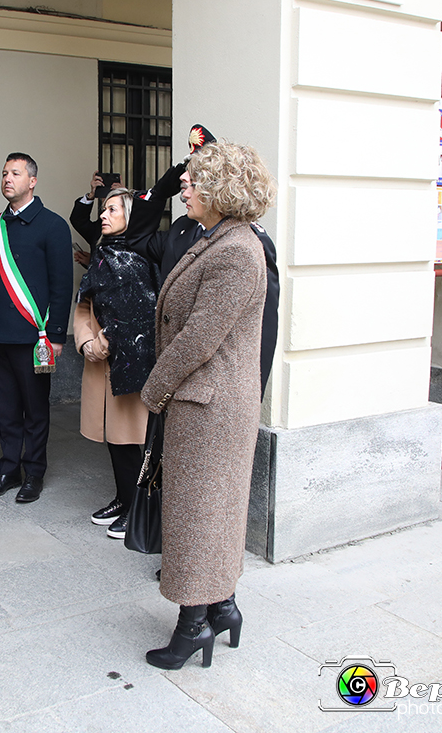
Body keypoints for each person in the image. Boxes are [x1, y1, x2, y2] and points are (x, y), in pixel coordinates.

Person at [139, 141, 275, 671]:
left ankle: (192, 626)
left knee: (199, 516)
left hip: (211, 405)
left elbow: (199, 338)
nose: (184, 188)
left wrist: (153, 391)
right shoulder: (218, 239)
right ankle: (223, 608)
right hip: (206, 400)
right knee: (209, 513)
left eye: (195, 181)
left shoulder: (238, 251)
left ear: (223, 191)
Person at [131, 126, 280, 398]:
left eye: (193, 183)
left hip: (210, 392)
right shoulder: (182, 230)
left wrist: (250, 395)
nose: (184, 193)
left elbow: (262, 329)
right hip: (177, 384)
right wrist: (160, 190)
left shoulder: (246, 245)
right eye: (184, 183)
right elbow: (137, 239)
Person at [0, 153, 72, 503]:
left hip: (34, 337)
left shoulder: (53, 226)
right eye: (4, 173)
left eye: (15, 172)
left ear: (32, 180)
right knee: (7, 408)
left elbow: (61, 286)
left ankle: (34, 473)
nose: (7, 178)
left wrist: (56, 335)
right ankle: (9, 470)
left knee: (35, 409)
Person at [73, 188, 157, 538]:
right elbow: (83, 304)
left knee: (127, 439)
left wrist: (104, 343)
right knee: (112, 438)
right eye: (103, 209)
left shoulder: (137, 259)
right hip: (98, 360)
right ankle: (123, 499)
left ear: (129, 217)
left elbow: (139, 314)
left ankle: (138, 506)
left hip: (125, 362)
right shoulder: (102, 255)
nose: (103, 216)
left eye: (111, 210)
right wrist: (85, 341)